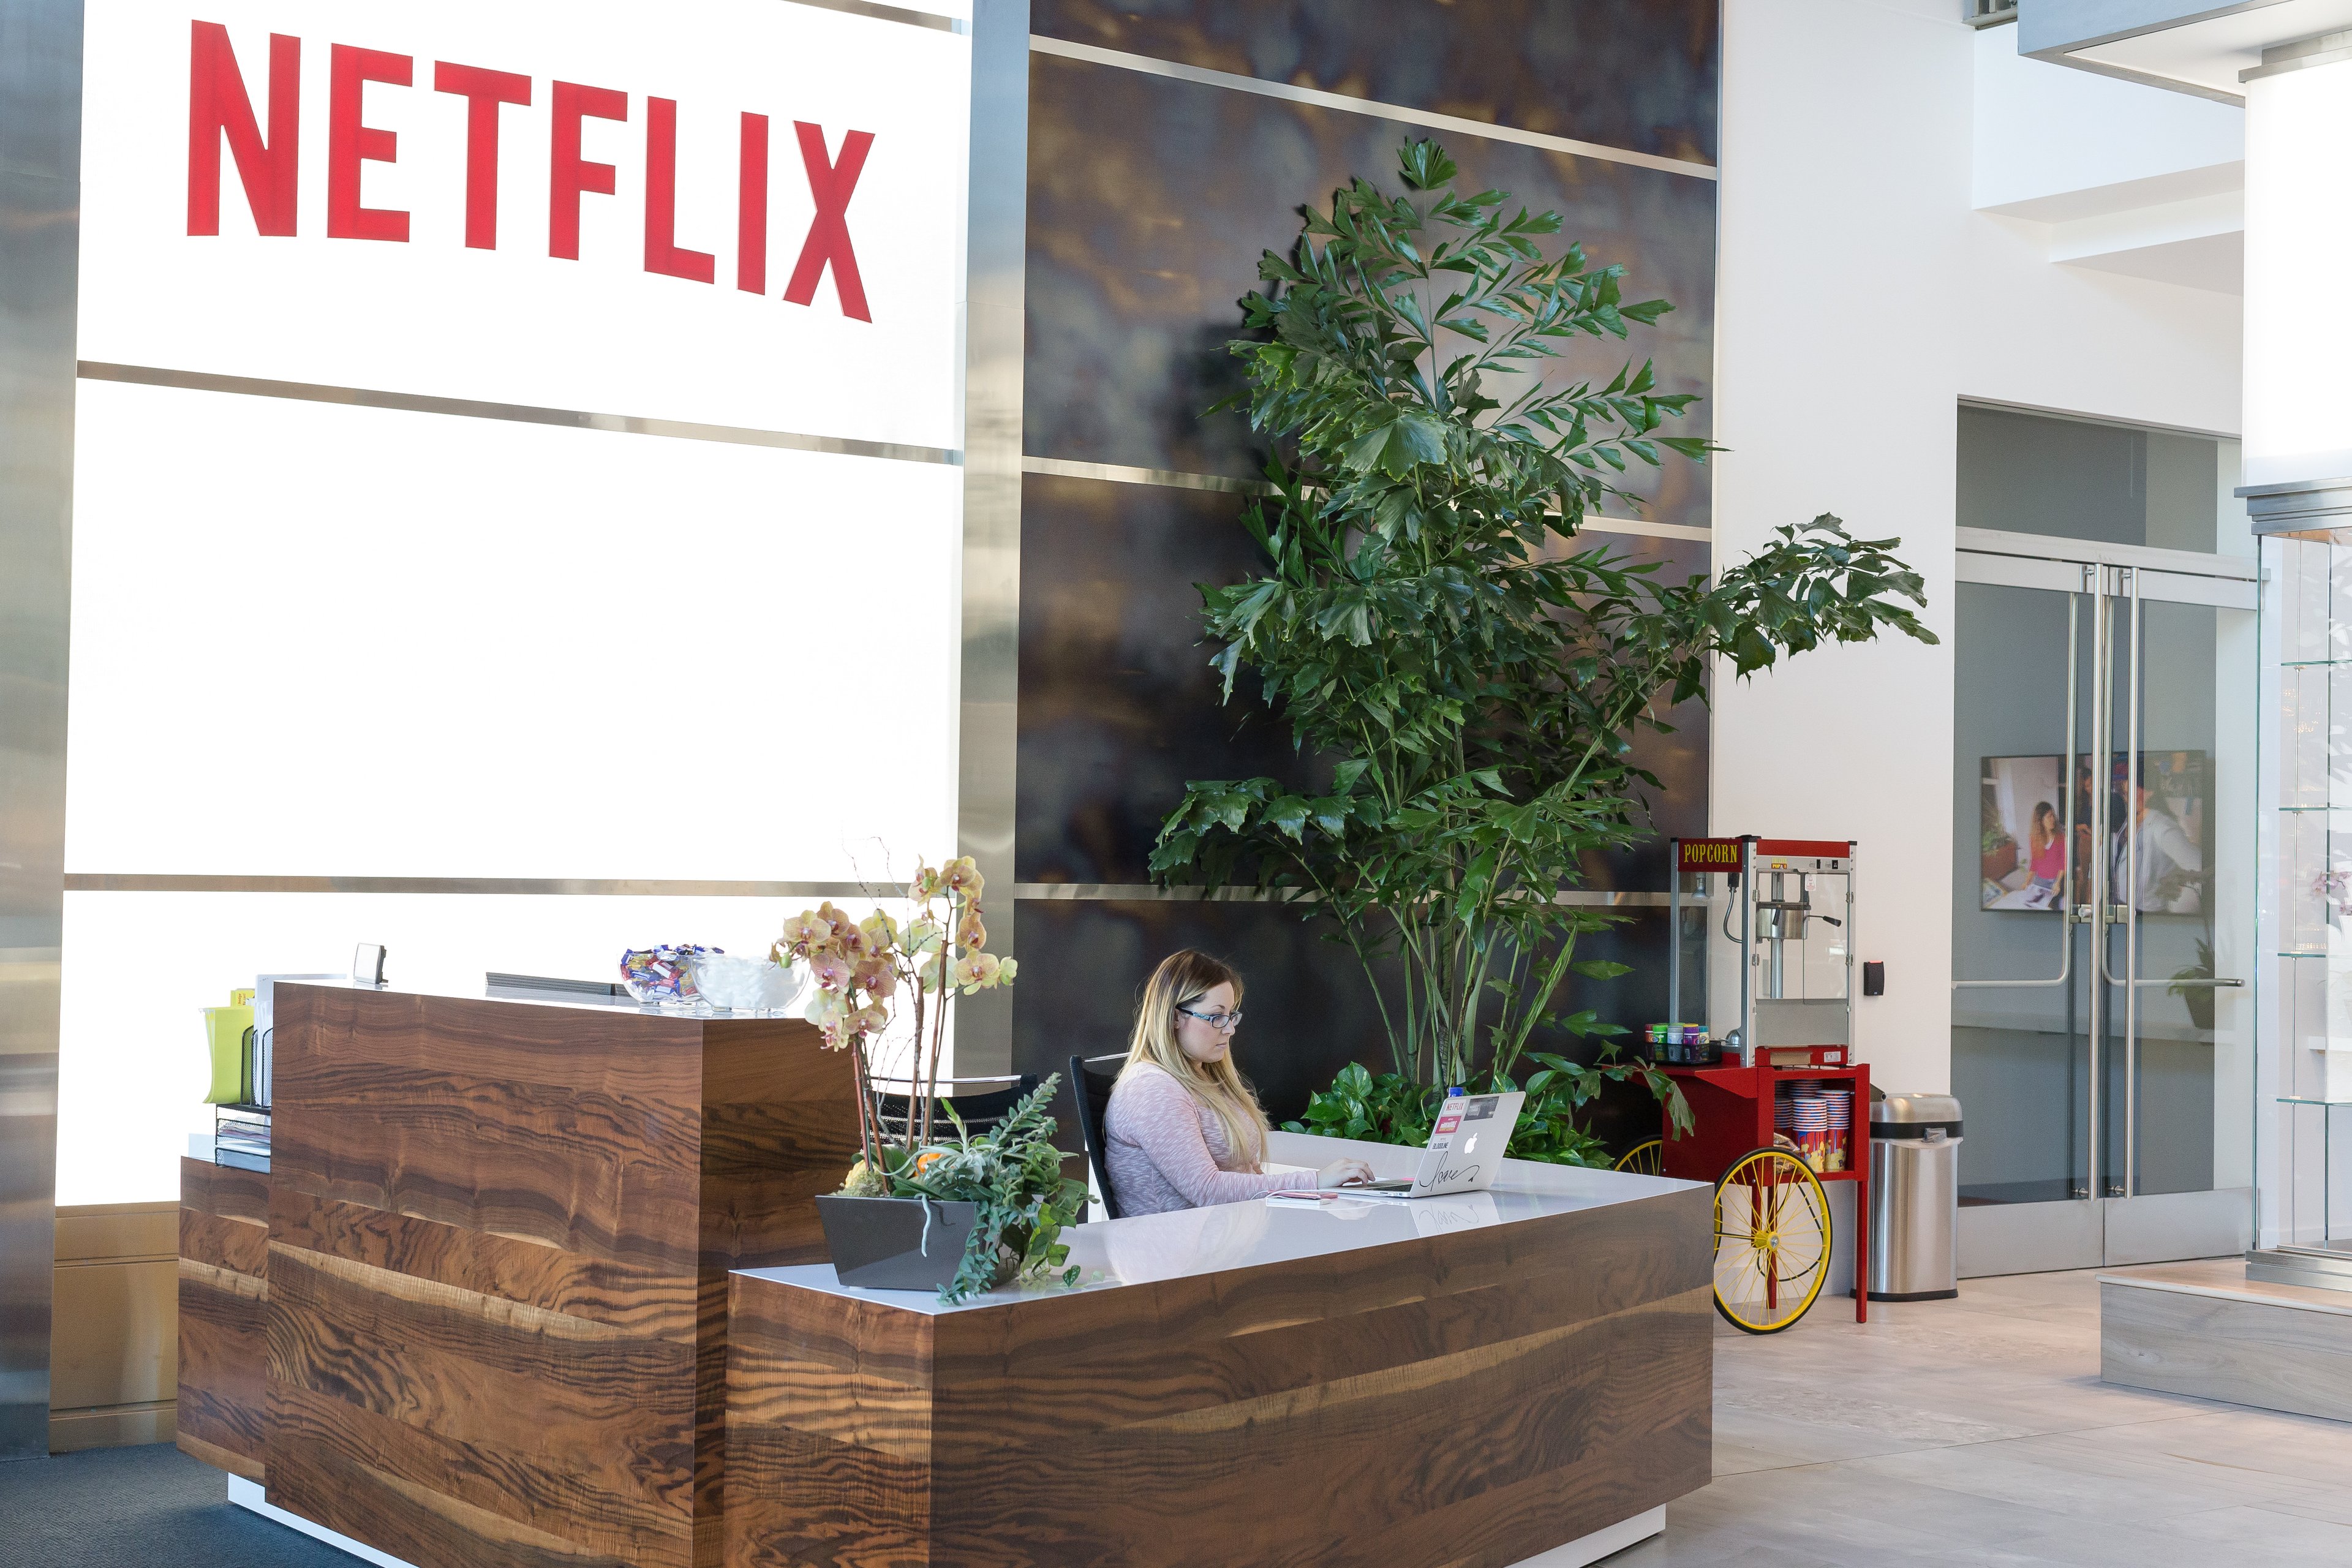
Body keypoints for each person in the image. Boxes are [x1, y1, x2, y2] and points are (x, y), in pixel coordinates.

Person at [1104, 949, 1373, 1215]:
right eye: (1216, 1017)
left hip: (1228, 1244)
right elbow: (1208, 1191)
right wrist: (1313, 1182)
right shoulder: (1152, 1089)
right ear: (1175, 1017)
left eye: (1231, 1016)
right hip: (1181, 1253)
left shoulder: (1205, 1078)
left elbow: (1247, 1173)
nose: (1230, 1029)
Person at [2026, 801, 2065, 900]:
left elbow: (2063, 862)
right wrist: (2027, 881)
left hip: (2057, 880)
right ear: (2041, 821)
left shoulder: (2060, 838)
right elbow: (2034, 863)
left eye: (2053, 816)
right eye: (2049, 816)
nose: (2053, 819)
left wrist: (2058, 883)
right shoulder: (2034, 839)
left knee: (2057, 907)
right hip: (2040, 881)